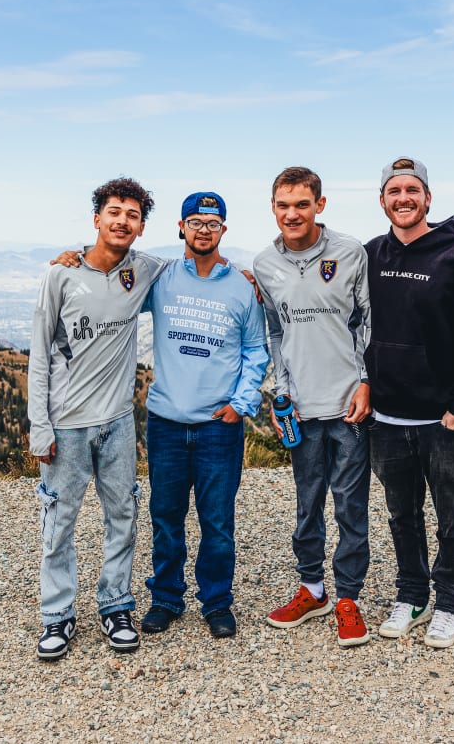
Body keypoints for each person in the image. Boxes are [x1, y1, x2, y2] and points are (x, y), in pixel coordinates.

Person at [28, 177, 166, 661]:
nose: (122, 221)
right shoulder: (60, 275)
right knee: (58, 522)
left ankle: (115, 605)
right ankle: (57, 616)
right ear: (97, 219)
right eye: (114, 212)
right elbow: (39, 354)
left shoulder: (145, 270)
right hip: (65, 424)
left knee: (123, 515)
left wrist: (240, 275)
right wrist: (38, 424)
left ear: (141, 226)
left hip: (118, 422)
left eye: (132, 215)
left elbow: (195, 270)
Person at [364, 157, 454, 649]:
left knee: (451, 514)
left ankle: (450, 603)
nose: (403, 198)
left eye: (412, 190)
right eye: (394, 191)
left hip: (444, 417)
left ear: (428, 198)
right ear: (382, 200)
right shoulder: (371, 255)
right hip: (387, 414)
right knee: (401, 513)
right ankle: (413, 593)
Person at [251, 166, 373, 648]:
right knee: (307, 505)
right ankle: (312, 589)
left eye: (302, 204)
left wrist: (366, 382)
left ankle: (348, 599)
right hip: (300, 408)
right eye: (283, 205)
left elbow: (367, 323)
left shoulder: (350, 252)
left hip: (348, 407)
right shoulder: (264, 264)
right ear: (273, 208)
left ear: (319, 205)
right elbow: (275, 332)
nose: (292, 213)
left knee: (349, 506)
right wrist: (281, 389)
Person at [138, 192, 269, 639]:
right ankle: (166, 599)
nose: (203, 231)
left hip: (218, 427)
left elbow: (256, 350)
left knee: (217, 521)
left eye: (212, 224)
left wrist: (241, 404)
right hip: (166, 423)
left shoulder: (241, 288)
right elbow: (111, 289)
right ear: (180, 227)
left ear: (224, 231)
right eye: (195, 222)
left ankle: (216, 603)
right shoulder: (160, 278)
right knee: (166, 516)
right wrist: (75, 259)